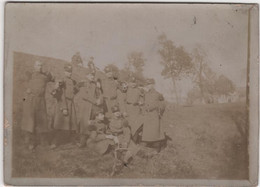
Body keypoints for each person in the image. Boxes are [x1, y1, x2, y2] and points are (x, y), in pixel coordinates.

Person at [21, 61, 54, 150]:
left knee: (43, 121)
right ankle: (31, 142)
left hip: (41, 101)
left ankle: (45, 142)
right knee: (31, 121)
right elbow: (22, 82)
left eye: (41, 65)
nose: (39, 67)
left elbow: (52, 78)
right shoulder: (30, 75)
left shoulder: (44, 76)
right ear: (34, 66)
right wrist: (27, 89)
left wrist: (49, 72)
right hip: (31, 100)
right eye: (38, 65)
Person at [50, 64, 78, 149]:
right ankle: (55, 142)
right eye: (67, 71)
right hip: (63, 103)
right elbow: (60, 94)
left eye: (70, 72)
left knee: (72, 123)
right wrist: (64, 107)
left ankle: (73, 140)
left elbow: (73, 91)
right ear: (64, 71)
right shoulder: (62, 80)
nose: (69, 73)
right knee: (60, 124)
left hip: (70, 103)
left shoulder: (72, 81)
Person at [140, 78, 166, 153]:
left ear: (153, 85)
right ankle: (147, 143)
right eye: (147, 84)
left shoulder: (158, 94)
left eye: (150, 84)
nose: (148, 86)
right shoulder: (145, 94)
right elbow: (144, 103)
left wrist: (160, 112)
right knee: (147, 130)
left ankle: (157, 146)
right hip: (147, 114)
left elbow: (162, 104)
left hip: (154, 114)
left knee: (155, 130)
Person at [76, 72, 101, 148]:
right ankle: (82, 142)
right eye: (90, 75)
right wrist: (94, 101)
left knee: (90, 123)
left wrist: (98, 88)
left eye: (93, 75)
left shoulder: (94, 84)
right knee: (83, 123)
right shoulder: (83, 83)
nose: (92, 77)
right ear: (86, 75)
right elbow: (84, 95)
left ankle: (89, 140)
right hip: (84, 106)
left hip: (91, 107)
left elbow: (97, 94)